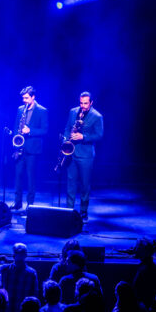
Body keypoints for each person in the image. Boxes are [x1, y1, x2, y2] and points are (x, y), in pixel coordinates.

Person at [62, 91, 103, 220]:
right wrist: (66, 140)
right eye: (81, 103)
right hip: (72, 153)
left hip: (86, 156)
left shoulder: (97, 116)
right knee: (70, 183)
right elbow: (67, 128)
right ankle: (69, 210)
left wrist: (83, 137)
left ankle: (83, 211)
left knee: (85, 185)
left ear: (91, 103)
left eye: (86, 103)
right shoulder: (73, 112)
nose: (83, 106)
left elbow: (99, 135)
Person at [11, 86, 48, 210]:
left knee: (31, 178)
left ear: (33, 97)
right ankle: (17, 202)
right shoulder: (20, 109)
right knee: (18, 176)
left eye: (26, 98)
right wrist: (16, 144)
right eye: (23, 98)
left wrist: (30, 130)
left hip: (33, 150)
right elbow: (16, 126)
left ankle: (30, 205)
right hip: (20, 148)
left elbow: (44, 130)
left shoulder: (42, 111)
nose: (24, 100)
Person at [0, 242, 39, 312]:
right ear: (13, 255)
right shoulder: (4, 270)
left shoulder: (31, 273)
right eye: (18, 253)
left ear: (26, 255)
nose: (20, 256)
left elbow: (34, 296)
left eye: (22, 253)